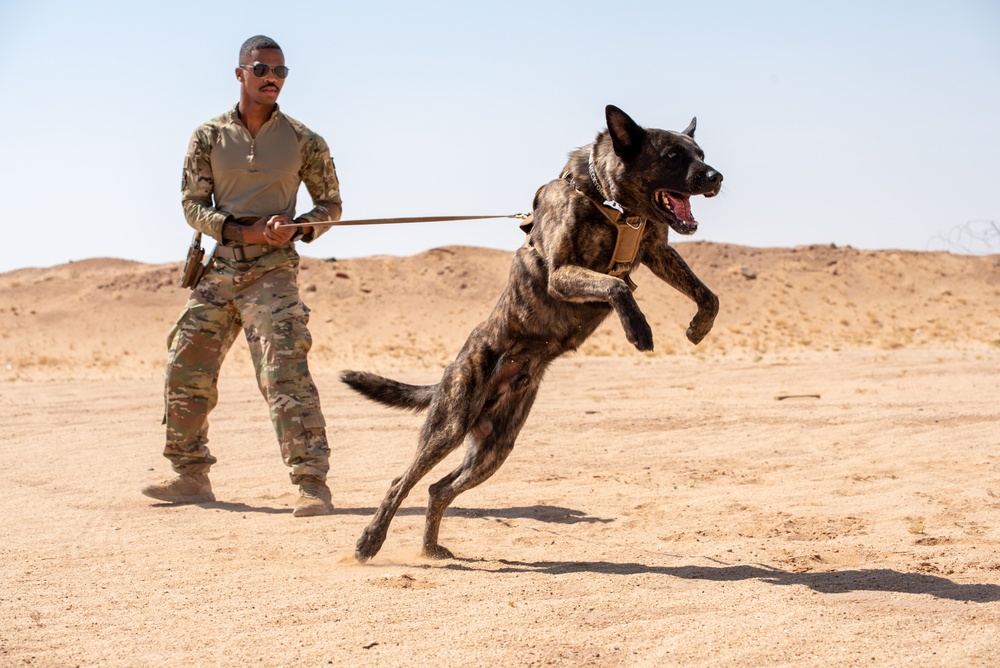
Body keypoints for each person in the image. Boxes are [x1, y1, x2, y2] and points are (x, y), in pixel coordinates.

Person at [141, 35, 342, 517]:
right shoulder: (208, 136)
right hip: (221, 267)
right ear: (240, 74)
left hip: (273, 272)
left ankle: (311, 482)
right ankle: (189, 476)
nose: (272, 77)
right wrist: (235, 227)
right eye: (261, 69)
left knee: (283, 372)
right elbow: (192, 205)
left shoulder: (304, 140)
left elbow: (332, 206)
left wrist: (299, 226)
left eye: (280, 71)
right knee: (184, 363)